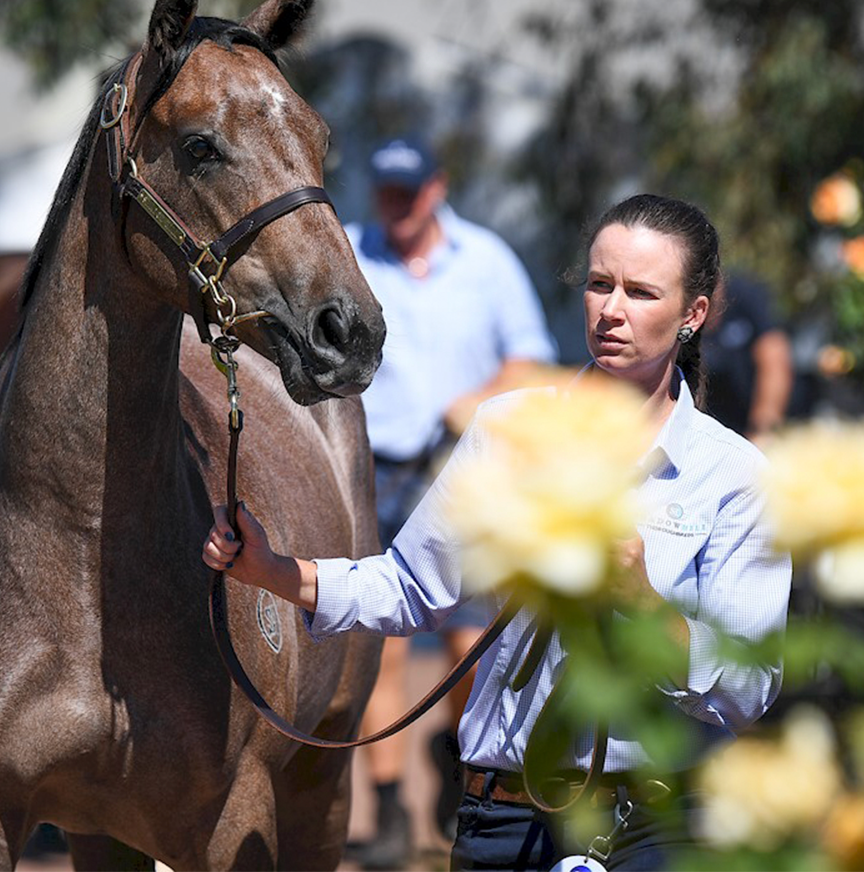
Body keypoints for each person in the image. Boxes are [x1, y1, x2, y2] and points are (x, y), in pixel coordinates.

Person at [203, 194, 792, 872]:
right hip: (500, 820)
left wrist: (643, 601)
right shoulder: (509, 428)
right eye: (600, 285)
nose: (612, 310)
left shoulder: (736, 475)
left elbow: (749, 686)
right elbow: (411, 587)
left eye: (641, 292)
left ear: (693, 314)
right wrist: (275, 571)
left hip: (654, 829)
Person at [343, 134, 558, 866]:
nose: (396, 206)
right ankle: (395, 806)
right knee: (384, 643)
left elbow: (529, 359)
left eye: (409, 192)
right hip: (373, 470)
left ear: (437, 189)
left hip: (462, 471)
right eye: (385, 192)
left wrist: (476, 401)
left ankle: (452, 750)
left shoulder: (488, 261)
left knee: (474, 646)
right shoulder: (348, 248)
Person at [703, 270, 793, 446]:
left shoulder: (747, 296)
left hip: (751, 423)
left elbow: (775, 357)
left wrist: (763, 430)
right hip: (710, 429)